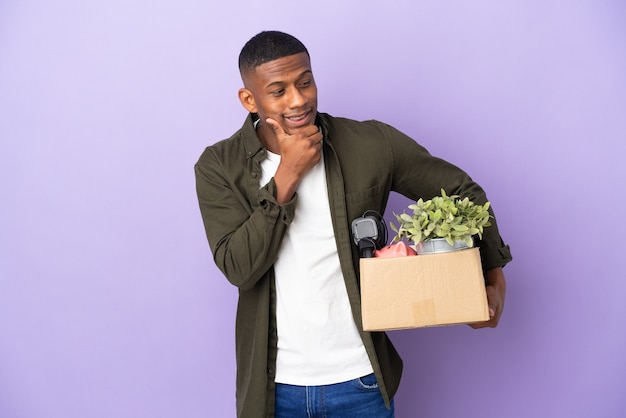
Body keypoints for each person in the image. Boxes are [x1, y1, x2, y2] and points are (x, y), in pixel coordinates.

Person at [195, 30, 512, 418]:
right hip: (273, 390)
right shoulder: (218, 167)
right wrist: (286, 178)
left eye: (305, 82)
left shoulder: (370, 142)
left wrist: (492, 272)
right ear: (250, 99)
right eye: (278, 91)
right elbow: (239, 268)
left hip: (361, 381)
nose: (298, 99)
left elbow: (463, 191)